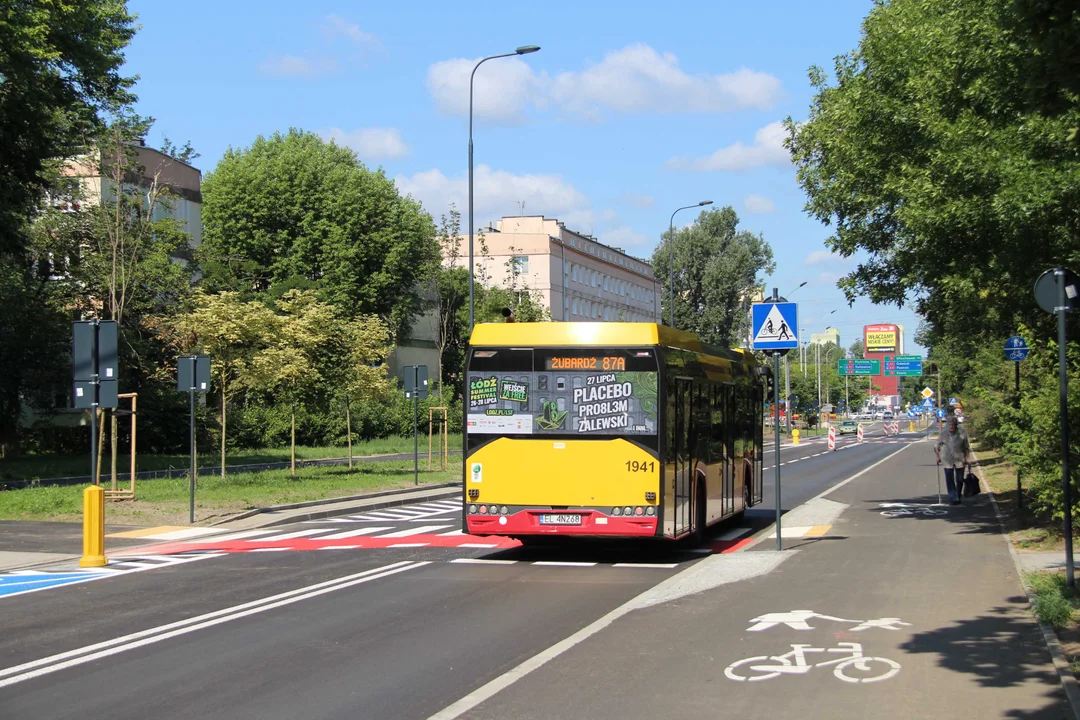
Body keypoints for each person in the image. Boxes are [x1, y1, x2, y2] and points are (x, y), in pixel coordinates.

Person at [935, 415, 971, 505]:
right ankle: (953, 498)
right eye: (949, 425)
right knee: (949, 479)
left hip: (960, 459)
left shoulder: (962, 433)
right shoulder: (944, 434)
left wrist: (968, 458)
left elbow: (966, 447)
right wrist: (937, 456)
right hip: (947, 460)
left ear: (956, 425)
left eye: (953, 425)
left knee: (959, 479)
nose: (951, 427)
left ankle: (958, 495)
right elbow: (936, 446)